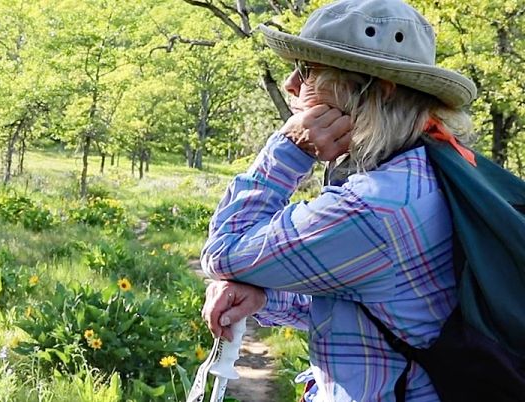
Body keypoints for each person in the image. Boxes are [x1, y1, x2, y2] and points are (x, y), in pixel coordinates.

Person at [199, 0, 478, 401]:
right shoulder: (431, 169)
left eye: (309, 70)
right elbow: (369, 306)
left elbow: (224, 251)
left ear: (377, 90)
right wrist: (263, 297)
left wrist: (289, 148)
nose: (292, 84)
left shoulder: (376, 206)